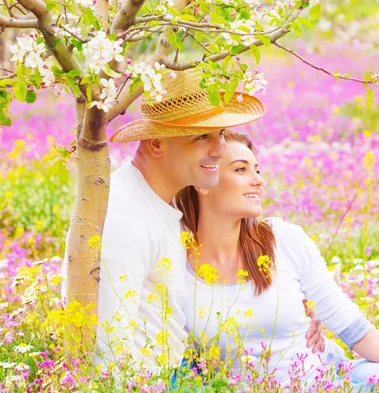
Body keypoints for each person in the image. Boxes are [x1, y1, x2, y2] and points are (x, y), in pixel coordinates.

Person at [61, 68, 324, 373]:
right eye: (202, 136)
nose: (219, 149)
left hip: (180, 381)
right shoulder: (123, 217)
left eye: (220, 134)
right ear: (157, 144)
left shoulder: (163, 206)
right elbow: (106, 349)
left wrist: (293, 314)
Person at [175, 131, 379, 393]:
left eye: (257, 169)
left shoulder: (283, 238)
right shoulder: (174, 261)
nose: (258, 180)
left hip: (330, 386)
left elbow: (347, 321)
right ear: (203, 182)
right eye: (241, 169)